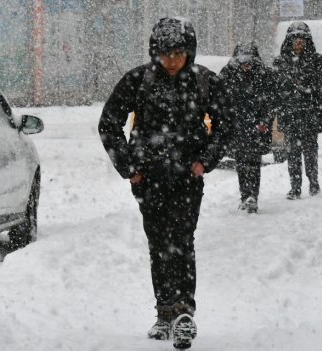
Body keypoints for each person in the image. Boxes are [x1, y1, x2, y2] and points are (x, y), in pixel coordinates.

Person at [98, 17, 227, 349]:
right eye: (166, 53)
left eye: (179, 53)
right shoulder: (138, 81)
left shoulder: (204, 82)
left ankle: (185, 312)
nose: (172, 60)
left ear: (189, 52)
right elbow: (109, 123)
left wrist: (206, 160)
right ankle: (165, 311)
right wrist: (129, 166)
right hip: (149, 179)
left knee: (182, 241)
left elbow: (226, 125)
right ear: (156, 52)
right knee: (159, 244)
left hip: (187, 178)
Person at [273, 21, 322, 200]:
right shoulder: (280, 61)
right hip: (290, 114)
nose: (298, 43)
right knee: (292, 152)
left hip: (310, 114)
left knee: (310, 151)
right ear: (289, 41)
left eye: (302, 39)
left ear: (307, 41)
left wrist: (309, 85)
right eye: (295, 39)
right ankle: (295, 187)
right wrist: (287, 89)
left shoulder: (317, 60)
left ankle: (314, 183)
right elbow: (274, 87)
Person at [219, 42, 274, 213]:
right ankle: (245, 195)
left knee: (253, 162)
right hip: (237, 125)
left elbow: (270, 100)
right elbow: (220, 98)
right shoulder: (228, 73)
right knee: (242, 163)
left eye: (248, 60)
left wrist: (265, 120)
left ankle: (252, 197)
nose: (245, 64)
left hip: (256, 126)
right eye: (242, 60)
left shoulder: (262, 74)